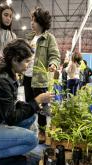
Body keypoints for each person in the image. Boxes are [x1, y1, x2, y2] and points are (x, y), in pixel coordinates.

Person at [23, 7, 60, 143]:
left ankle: (42, 131)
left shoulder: (49, 38)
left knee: (42, 107)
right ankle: (29, 128)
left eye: (34, 20)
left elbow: (55, 55)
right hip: (27, 76)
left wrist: (53, 64)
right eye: (31, 20)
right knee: (29, 104)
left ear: (41, 22)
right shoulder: (29, 38)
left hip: (40, 78)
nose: (31, 23)